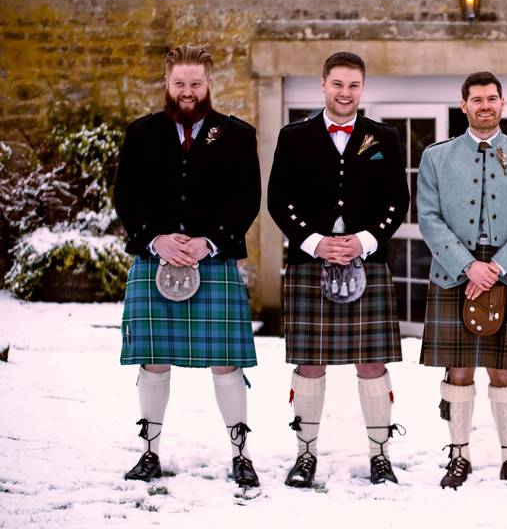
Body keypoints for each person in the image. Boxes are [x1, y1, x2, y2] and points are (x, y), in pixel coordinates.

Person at [115, 44, 262, 488]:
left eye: (195, 83)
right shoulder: (141, 133)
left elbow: (247, 199)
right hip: (152, 258)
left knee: (226, 362)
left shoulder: (237, 134)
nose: (187, 91)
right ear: (167, 83)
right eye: (179, 83)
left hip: (213, 260)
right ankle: (149, 453)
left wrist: (210, 242)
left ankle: (241, 454)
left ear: (208, 84)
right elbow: (126, 196)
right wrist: (154, 238)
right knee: (154, 361)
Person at [267, 51, 410, 488]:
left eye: (353, 86)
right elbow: (279, 199)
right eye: (337, 84)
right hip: (310, 264)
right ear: (323, 85)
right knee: (310, 363)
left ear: (362, 88)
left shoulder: (383, 136)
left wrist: (365, 241)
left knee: (372, 362)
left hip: (368, 261)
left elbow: (397, 200)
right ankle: (305, 454)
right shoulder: (294, 136)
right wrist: (316, 243)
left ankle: (380, 455)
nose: (345, 93)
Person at [417, 71, 507, 489]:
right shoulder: (437, 157)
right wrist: (468, 265)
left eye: (492, 98)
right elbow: (429, 218)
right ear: (464, 106)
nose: (485, 105)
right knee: (458, 370)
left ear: (502, 104)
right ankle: (458, 455)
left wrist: (498, 266)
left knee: (503, 370)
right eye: (477, 99)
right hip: (454, 271)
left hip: (506, 274)